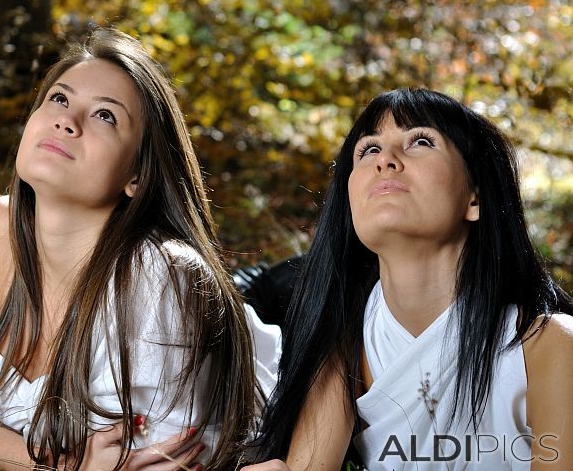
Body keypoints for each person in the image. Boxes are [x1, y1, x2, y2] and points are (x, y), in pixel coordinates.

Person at [0, 27, 281, 471]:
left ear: (138, 176)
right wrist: (62, 467)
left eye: (105, 116)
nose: (66, 121)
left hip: (276, 346)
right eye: (58, 98)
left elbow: (159, 462)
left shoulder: (159, 279)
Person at [245, 88, 573, 470]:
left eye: (420, 141)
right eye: (368, 150)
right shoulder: (343, 346)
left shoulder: (549, 346)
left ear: (475, 198)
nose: (385, 160)